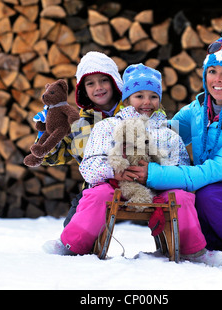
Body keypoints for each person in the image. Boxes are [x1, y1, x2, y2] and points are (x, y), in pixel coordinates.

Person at [127, 23, 222, 269]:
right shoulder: (199, 108)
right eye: (212, 71)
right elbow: (168, 134)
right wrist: (128, 133)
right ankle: (216, 250)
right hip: (215, 188)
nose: (217, 79)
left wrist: (153, 174)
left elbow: (211, 171)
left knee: (208, 196)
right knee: (193, 197)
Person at [43, 64, 207, 259]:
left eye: (153, 96)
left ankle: (193, 251)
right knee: (97, 194)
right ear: (127, 99)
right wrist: (114, 171)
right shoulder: (108, 126)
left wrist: (156, 174)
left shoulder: (168, 133)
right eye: (139, 96)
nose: (147, 102)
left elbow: (182, 172)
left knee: (181, 198)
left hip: (159, 189)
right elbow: (88, 166)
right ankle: (73, 244)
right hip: (116, 186)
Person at [31, 51, 124, 226]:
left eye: (104, 80)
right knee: (72, 230)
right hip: (95, 188)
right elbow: (55, 156)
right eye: (90, 83)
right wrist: (45, 133)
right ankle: (72, 244)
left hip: (134, 180)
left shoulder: (133, 111)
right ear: (83, 90)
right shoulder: (78, 124)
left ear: (114, 81)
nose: (98, 87)